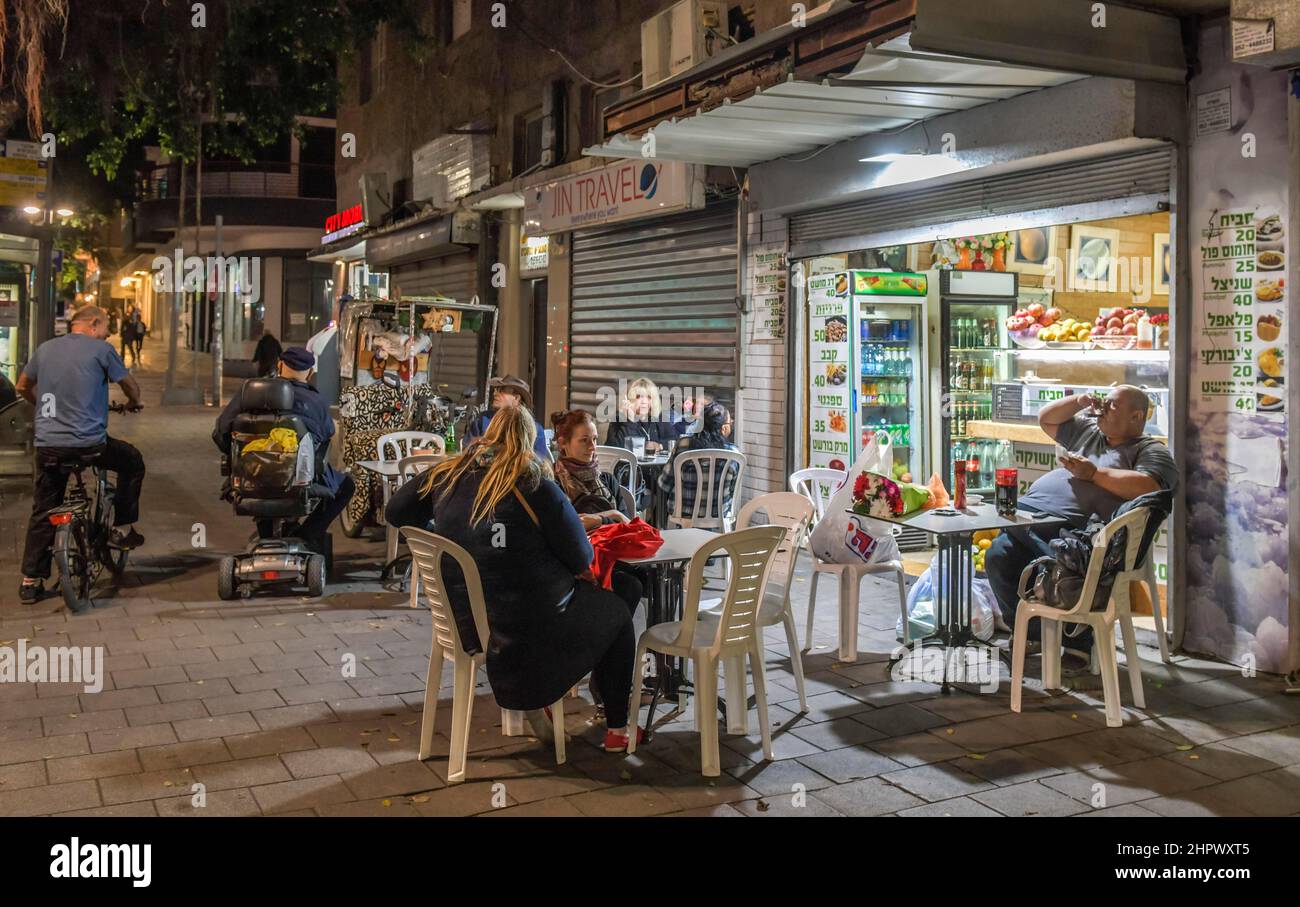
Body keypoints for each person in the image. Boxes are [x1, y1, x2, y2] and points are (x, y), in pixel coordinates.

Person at [386, 405, 644, 753]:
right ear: (529, 442)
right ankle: (616, 727)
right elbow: (581, 557)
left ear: (488, 436)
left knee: (613, 598)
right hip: (525, 629)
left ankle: (553, 693)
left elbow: (395, 512)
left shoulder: (447, 475)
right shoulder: (536, 485)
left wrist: (445, 535)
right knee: (616, 608)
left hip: (465, 623)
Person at [984, 385, 1178, 664]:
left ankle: (1079, 639)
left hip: (1075, 531)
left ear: (1136, 417)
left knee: (1046, 549)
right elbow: (1046, 419)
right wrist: (1079, 400)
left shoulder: (1149, 450)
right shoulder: (1090, 430)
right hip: (1039, 522)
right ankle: (1035, 635)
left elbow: (1149, 485)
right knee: (998, 554)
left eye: (1111, 405)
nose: (1101, 408)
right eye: (1102, 401)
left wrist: (1095, 474)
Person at [16, 305, 146, 604]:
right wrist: (134, 402)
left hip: (48, 445)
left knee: (44, 508)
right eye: (107, 326)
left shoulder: (45, 349)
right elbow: (129, 385)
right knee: (132, 461)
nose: (110, 332)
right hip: (89, 444)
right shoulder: (102, 349)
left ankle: (30, 580)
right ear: (93, 323)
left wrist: (44, 409)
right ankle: (122, 527)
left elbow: (23, 385)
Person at [213, 347, 355, 551]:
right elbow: (327, 435)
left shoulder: (250, 393)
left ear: (279, 365)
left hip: (251, 475)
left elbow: (220, 430)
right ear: (310, 373)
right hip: (298, 478)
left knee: (264, 480)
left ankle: (266, 532)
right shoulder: (315, 401)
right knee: (346, 486)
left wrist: (240, 458)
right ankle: (307, 534)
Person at [550, 409, 643, 612]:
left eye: (594, 439)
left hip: (612, 559)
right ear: (563, 443)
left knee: (643, 579)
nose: (592, 447)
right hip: (574, 568)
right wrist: (613, 516)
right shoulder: (553, 482)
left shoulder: (607, 480)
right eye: (584, 440)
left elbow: (632, 527)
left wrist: (603, 519)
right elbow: (562, 531)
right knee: (629, 586)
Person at [658, 401, 740, 522]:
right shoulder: (734, 453)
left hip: (682, 513)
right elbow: (733, 490)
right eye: (730, 422)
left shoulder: (683, 444)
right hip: (719, 514)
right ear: (724, 428)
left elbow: (664, 483)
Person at [463, 375, 550, 460]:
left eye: (501, 391)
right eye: (496, 390)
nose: (495, 393)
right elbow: (466, 448)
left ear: (516, 398)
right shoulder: (483, 419)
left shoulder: (534, 429)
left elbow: (540, 461)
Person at [604, 377, 675, 453]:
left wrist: (659, 445)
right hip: (630, 464)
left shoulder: (658, 418)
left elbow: (674, 441)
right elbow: (617, 449)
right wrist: (630, 421)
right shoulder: (619, 419)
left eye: (649, 397)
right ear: (629, 399)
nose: (644, 401)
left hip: (656, 464)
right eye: (638, 397)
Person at [305, 294, 345, 406]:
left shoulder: (332, 333)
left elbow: (313, 346)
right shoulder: (332, 333)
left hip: (318, 370)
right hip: (320, 370)